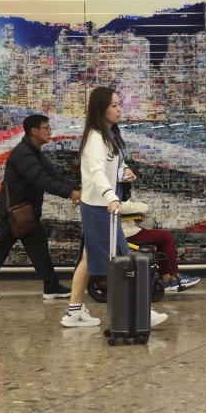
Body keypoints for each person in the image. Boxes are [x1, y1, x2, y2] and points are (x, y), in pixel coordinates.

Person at [61, 86, 168, 328]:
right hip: (101, 208)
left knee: (88, 258)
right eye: (114, 105)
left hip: (102, 207)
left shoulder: (109, 135)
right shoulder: (96, 138)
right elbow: (97, 172)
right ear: (101, 108)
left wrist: (124, 170)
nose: (119, 109)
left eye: (119, 104)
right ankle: (142, 309)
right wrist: (111, 197)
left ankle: (73, 311)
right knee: (122, 258)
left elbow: (114, 164)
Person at [0, 114, 82, 301]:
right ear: (34, 131)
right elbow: (41, 179)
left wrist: (78, 189)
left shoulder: (34, 152)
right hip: (15, 212)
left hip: (26, 211)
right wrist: (69, 193)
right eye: (46, 128)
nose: (50, 131)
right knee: (0, 249)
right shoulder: (22, 154)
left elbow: (53, 175)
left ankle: (51, 286)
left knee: (39, 249)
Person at [118, 197, 200, 291]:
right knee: (166, 236)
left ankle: (167, 278)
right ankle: (175, 277)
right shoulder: (112, 194)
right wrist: (141, 206)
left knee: (163, 238)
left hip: (126, 231)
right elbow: (127, 207)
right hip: (126, 233)